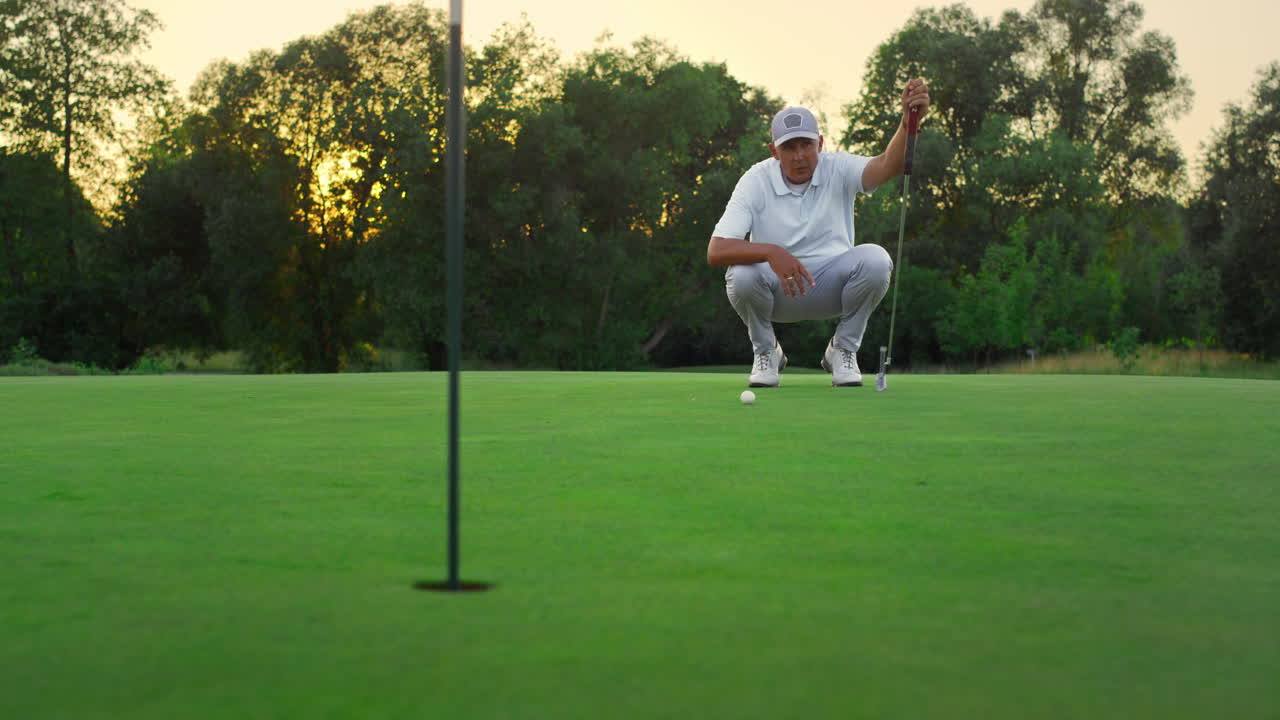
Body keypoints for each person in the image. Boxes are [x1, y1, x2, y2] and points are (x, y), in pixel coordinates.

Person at [707, 79, 930, 387]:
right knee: (741, 275)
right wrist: (772, 252)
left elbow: (886, 166)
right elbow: (716, 251)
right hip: (776, 289)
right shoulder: (754, 180)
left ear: (820, 144)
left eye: (806, 145)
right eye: (789, 147)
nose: (799, 155)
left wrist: (907, 122)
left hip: (832, 284)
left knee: (877, 260)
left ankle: (843, 350)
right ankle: (767, 352)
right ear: (774, 151)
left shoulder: (837, 167)